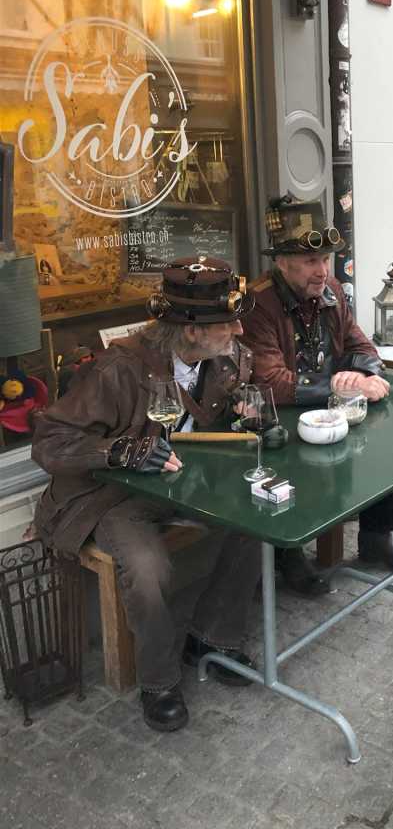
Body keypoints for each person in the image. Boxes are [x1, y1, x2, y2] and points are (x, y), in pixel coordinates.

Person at [31, 257, 263, 733]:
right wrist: (119, 451)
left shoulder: (224, 357)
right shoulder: (120, 369)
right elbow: (49, 442)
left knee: (255, 518)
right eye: (228, 322)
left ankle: (212, 636)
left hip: (186, 481)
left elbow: (223, 412)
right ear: (192, 330)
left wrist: (246, 415)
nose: (239, 330)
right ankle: (158, 680)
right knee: (147, 567)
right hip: (114, 494)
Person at [240, 195, 393, 588]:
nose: (323, 270)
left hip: (330, 407)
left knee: (383, 435)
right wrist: (338, 388)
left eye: (325, 259)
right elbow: (270, 382)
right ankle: (288, 554)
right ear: (282, 262)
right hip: (279, 414)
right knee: (278, 446)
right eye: (312, 261)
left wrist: (362, 375)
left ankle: (375, 540)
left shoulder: (333, 290)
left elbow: (363, 347)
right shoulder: (258, 302)